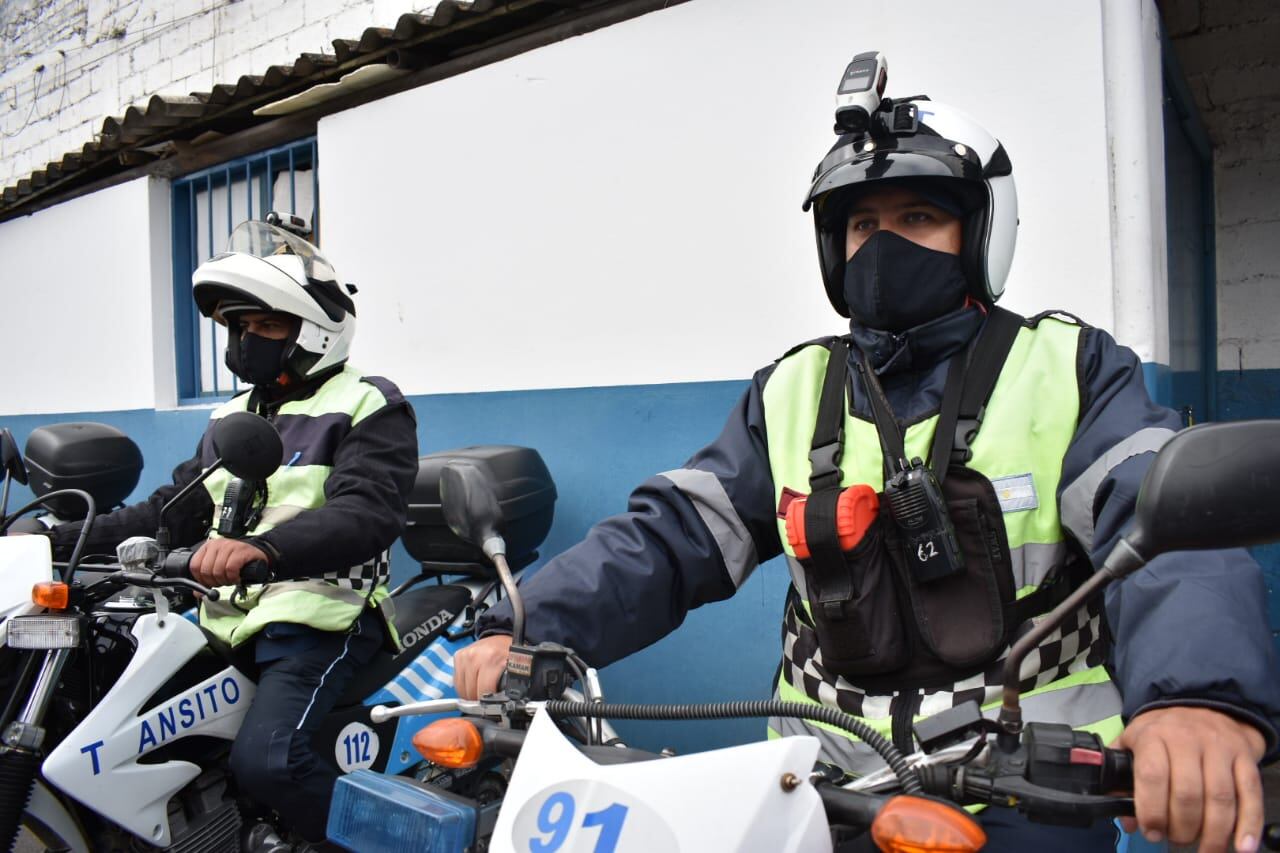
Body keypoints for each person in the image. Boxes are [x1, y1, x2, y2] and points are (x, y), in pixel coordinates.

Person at [455, 90, 1280, 851]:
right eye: (861, 224)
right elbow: (673, 536)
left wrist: (1195, 695)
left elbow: (1158, 518)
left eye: (917, 216)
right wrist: (528, 623)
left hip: (1025, 794)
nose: (881, 245)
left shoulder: (1067, 367)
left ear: (979, 236)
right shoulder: (792, 390)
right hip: (818, 795)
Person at [43, 215, 418, 847]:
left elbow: (368, 513)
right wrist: (50, 540)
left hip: (319, 624)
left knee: (269, 762)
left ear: (315, 330)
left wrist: (263, 550)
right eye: (240, 327)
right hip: (220, 622)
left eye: (267, 325)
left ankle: (400, 842)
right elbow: (172, 510)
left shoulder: (368, 401)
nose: (249, 340)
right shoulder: (232, 415)